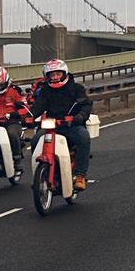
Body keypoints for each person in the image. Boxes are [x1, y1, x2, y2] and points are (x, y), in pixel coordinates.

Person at [28, 59, 92, 191]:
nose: (55, 77)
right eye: (52, 75)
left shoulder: (76, 88)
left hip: (72, 125)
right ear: (48, 77)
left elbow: (86, 105)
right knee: (35, 141)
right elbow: (37, 107)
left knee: (83, 137)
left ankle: (80, 175)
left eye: (58, 74)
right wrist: (28, 117)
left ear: (64, 73)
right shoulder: (45, 90)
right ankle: (40, 175)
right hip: (52, 127)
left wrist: (79, 117)